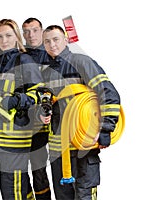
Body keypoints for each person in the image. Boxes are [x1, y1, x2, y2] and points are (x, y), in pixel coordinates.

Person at [41, 25, 121, 200]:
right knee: (63, 197)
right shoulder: (46, 72)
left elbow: (108, 93)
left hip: (83, 147)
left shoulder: (81, 62)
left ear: (66, 39)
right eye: (47, 41)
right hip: (58, 152)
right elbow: (46, 96)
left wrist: (105, 129)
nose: (52, 44)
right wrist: (44, 110)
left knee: (84, 196)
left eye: (56, 39)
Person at [0, 18, 47, 200]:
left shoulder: (24, 59)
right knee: (16, 185)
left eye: (8, 35)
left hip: (16, 138)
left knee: (11, 189)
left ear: (17, 37)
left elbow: (39, 93)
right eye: (0, 37)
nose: (4, 40)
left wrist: (16, 100)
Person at [22, 17, 51, 200]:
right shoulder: (18, 56)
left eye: (34, 30)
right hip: (22, 121)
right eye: (26, 31)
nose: (31, 35)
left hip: (45, 123)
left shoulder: (53, 54)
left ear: (42, 31)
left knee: (39, 168)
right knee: (19, 169)